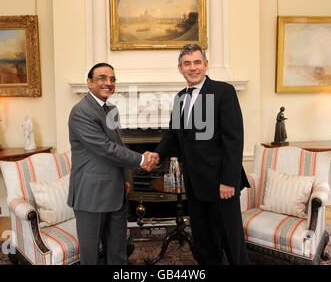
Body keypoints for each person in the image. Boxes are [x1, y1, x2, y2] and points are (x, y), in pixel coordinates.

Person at [149, 44, 250, 265]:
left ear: (206, 65)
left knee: (231, 242)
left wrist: (228, 181)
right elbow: (173, 135)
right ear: (180, 68)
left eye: (197, 62)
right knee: (204, 242)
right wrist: (156, 155)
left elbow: (234, 139)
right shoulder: (180, 98)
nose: (192, 68)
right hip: (194, 184)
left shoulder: (224, 91)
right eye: (187, 63)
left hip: (221, 184)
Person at [67, 62, 156, 265]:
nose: (108, 83)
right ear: (89, 83)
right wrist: (142, 159)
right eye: (102, 78)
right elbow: (105, 148)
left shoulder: (112, 109)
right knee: (90, 257)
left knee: (117, 253)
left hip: (116, 192)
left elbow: (118, 145)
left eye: (112, 79)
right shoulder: (80, 112)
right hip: (92, 195)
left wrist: (125, 178)